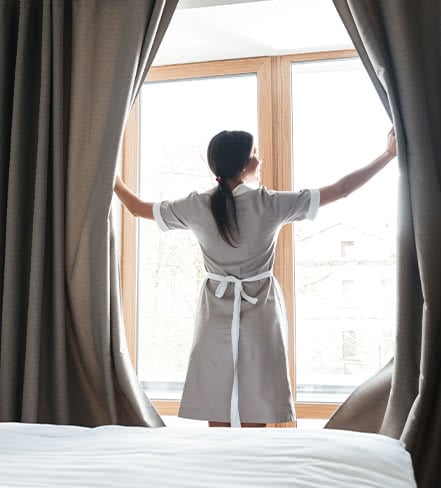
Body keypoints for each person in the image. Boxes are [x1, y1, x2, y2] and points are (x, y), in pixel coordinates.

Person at [114, 128, 397, 428]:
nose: (259, 160)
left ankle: (221, 470)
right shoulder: (268, 203)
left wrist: (113, 178)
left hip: (215, 313)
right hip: (260, 312)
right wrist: (387, 156)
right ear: (243, 165)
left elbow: (135, 208)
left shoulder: (197, 205)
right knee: (257, 407)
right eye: (254, 155)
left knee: (217, 406)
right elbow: (341, 189)